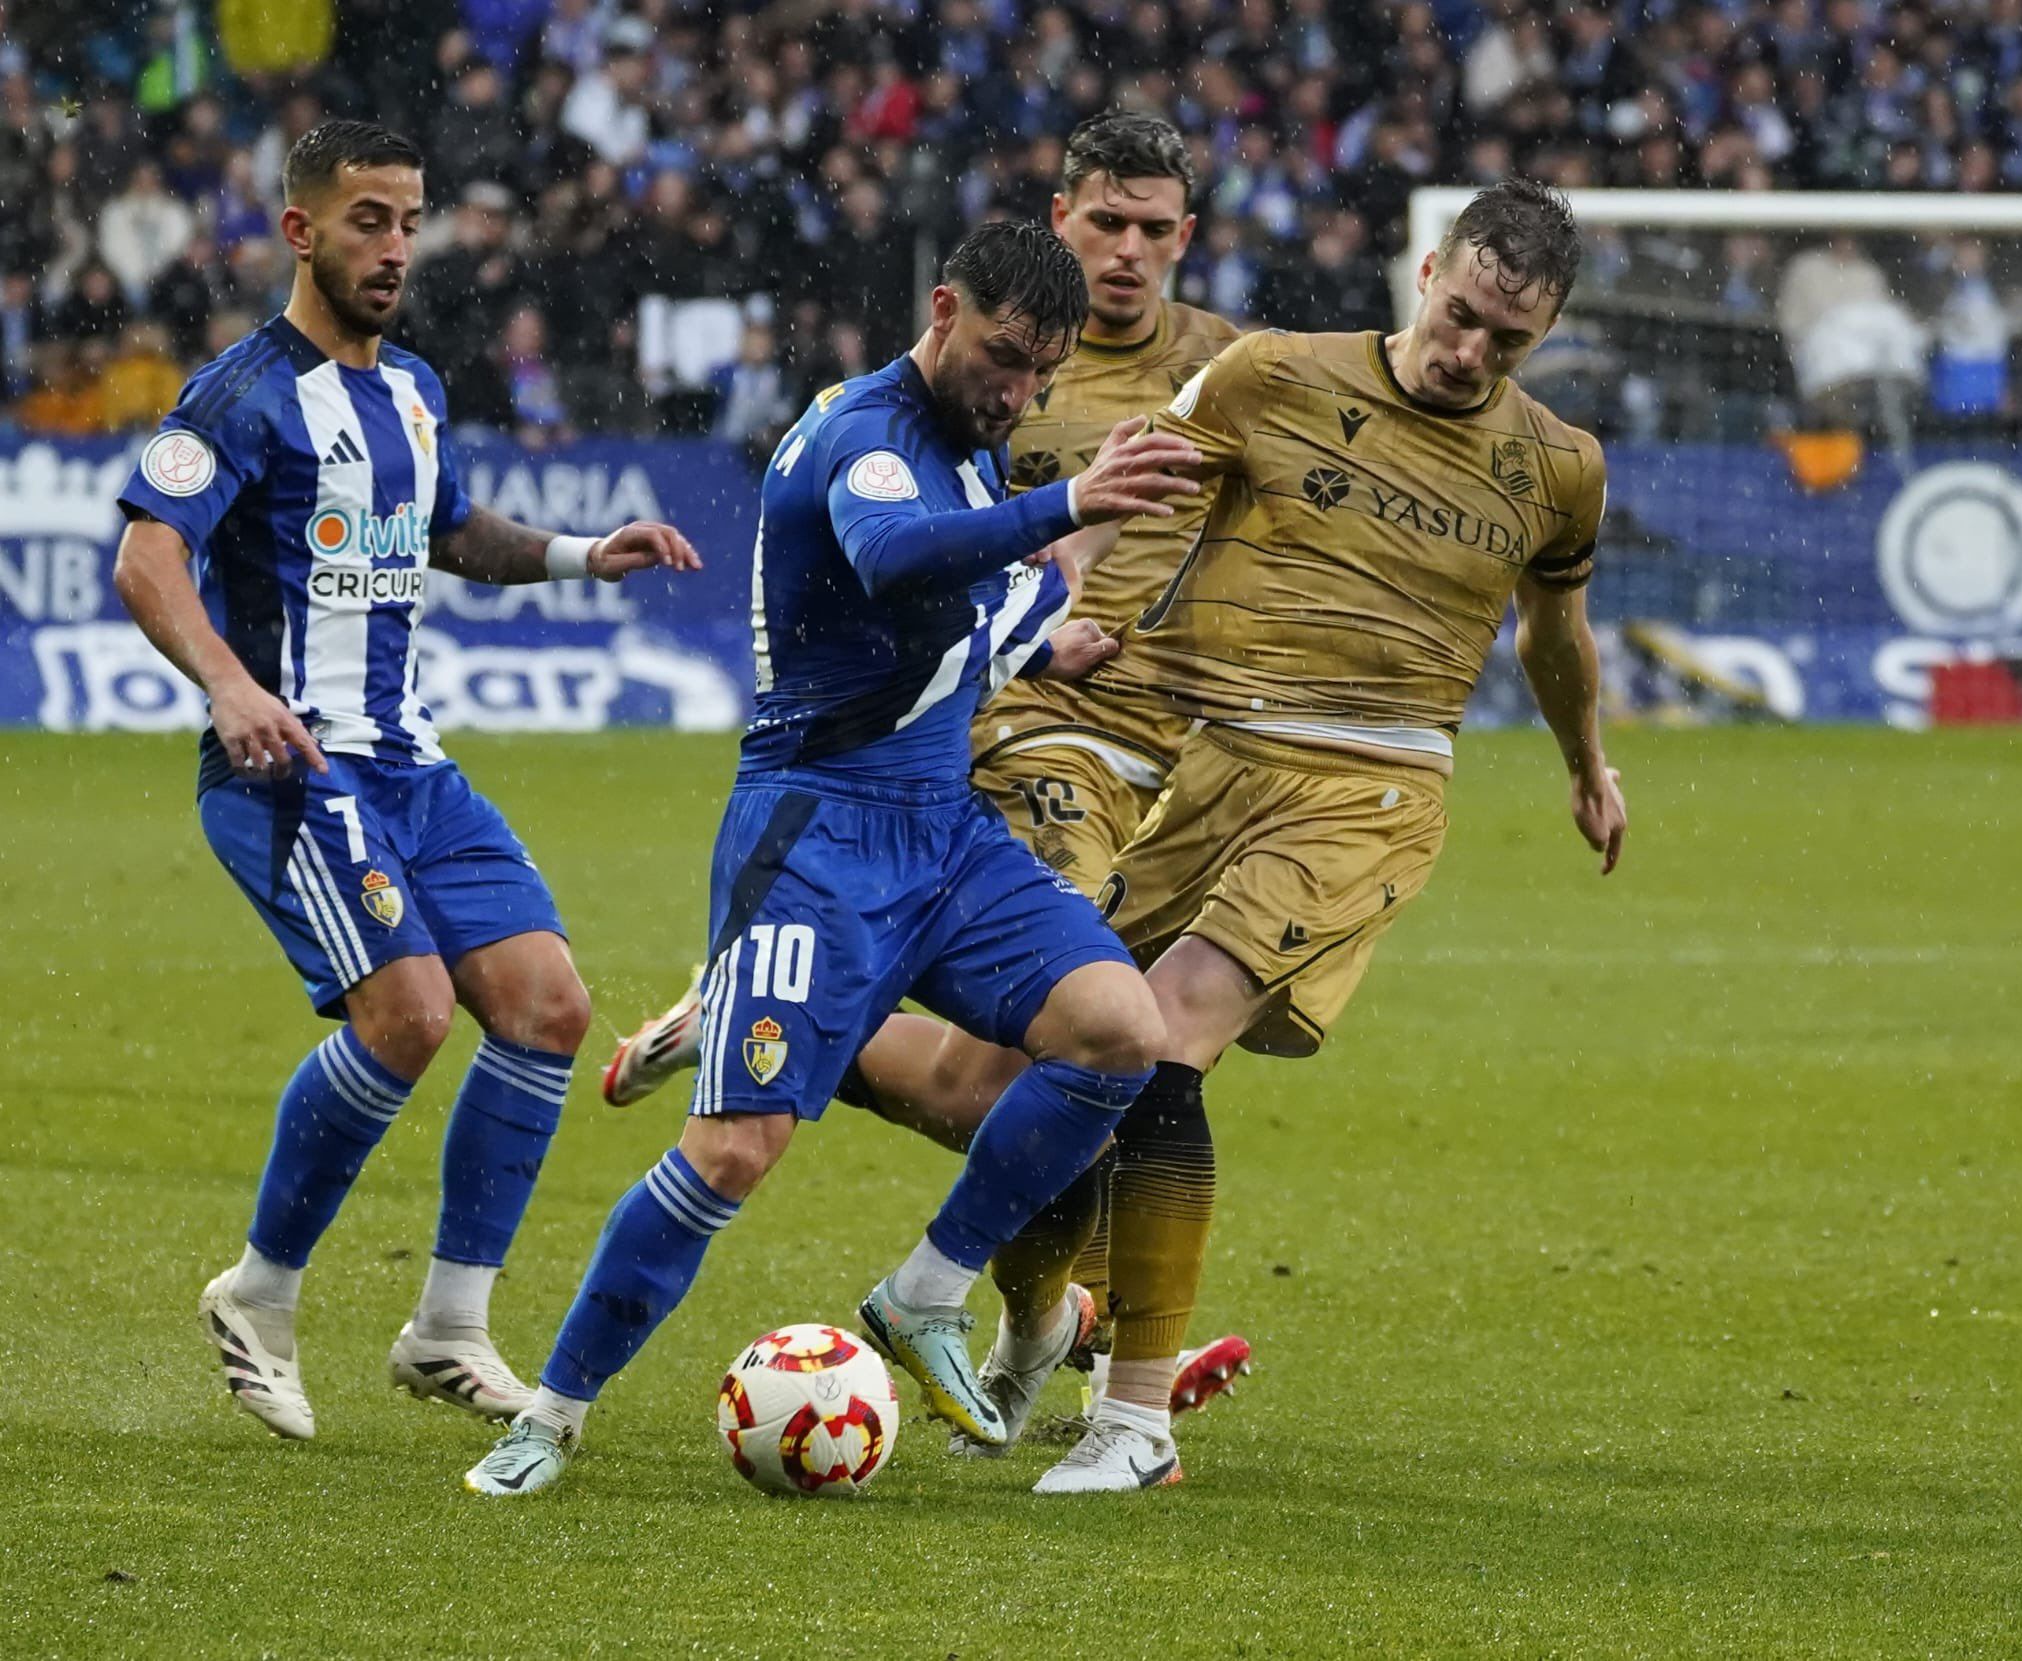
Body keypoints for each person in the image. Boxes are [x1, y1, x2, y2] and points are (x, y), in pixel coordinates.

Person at [461, 218, 1204, 1498]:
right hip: (815, 835)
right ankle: (548, 1410)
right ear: (940, 309)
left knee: (1117, 1030)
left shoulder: (972, 455)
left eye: (1040, 374)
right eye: (1001, 357)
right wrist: (1073, 500)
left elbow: (957, 611)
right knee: (736, 1149)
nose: (1015, 392)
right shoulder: (864, 437)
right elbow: (892, 556)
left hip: (944, 833)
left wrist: (1041, 637)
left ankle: (925, 1287)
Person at [604, 112, 1253, 1442]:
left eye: (1153, 231)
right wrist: (1041, 580)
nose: (1125, 254)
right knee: (1084, 1044)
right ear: (1056, 220)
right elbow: (904, 552)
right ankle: (1042, 1329)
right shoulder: (976, 374)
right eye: (1102, 224)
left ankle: (779, 1029)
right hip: (1001, 750)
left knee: (1048, 1078)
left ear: (1186, 240)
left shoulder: (1228, 374)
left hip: (1150, 747)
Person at [1019, 176, 1625, 1492]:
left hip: (1373, 789)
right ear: (1425, 275)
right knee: (1073, 1039)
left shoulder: (1560, 466)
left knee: (1168, 1033)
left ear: (1547, 333)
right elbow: (1135, 490)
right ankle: (1047, 1320)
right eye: (1463, 316)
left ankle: (1132, 1425)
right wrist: (1045, 629)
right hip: (1220, 756)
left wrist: (1588, 764)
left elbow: (1553, 632)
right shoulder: (1271, 375)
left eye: (1509, 342)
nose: (1472, 355)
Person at [110, 120, 698, 1445]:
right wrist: (230, 683)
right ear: (302, 230)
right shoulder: (241, 393)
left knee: (547, 1005)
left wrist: (581, 554)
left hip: (414, 766)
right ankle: (259, 1291)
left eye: (411, 220)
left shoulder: (416, 391)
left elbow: (456, 538)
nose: (395, 246)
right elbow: (149, 557)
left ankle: (447, 1327)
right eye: (369, 219)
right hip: (292, 766)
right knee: (411, 1014)